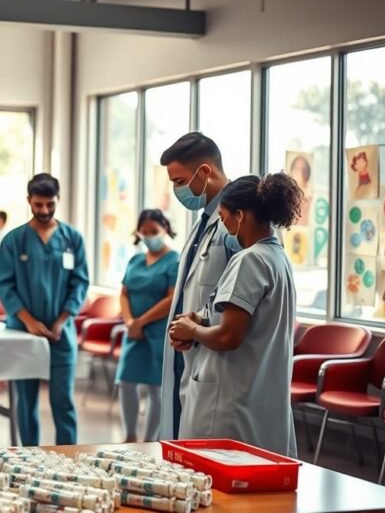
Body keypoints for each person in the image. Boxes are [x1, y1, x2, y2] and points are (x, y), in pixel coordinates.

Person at [168, 173, 301, 457]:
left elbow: (229, 336)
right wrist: (199, 319)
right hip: (258, 398)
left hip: (230, 404)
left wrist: (192, 332)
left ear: (240, 216)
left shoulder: (249, 259)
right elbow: (237, 316)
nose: (226, 227)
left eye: (226, 218)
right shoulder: (277, 259)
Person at [0, 173, 89, 446]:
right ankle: (28, 458)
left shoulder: (72, 239)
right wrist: (28, 321)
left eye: (50, 204)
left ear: (58, 200)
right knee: (26, 403)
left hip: (61, 333)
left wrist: (62, 320)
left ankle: (69, 459)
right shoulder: (14, 241)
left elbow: (80, 282)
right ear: (29, 201)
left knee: (63, 402)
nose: (44, 210)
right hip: (24, 332)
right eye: (38, 205)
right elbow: (4, 285)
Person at [158, 132, 238, 440]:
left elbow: (241, 292)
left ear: (204, 172)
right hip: (190, 351)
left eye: (179, 181)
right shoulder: (205, 220)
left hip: (215, 360)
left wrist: (197, 322)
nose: (178, 190)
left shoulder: (239, 222)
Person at [116, 209, 179, 443]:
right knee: (126, 382)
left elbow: (171, 298)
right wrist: (130, 321)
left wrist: (142, 321)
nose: (150, 236)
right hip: (133, 330)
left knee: (155, 388)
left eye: (155, 231)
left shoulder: (174, 260)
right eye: (145, 232)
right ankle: (129, 435)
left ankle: (150, 440)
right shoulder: (135, 260)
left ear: (165, 230)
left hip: (157, 331)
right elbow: (123, 293)